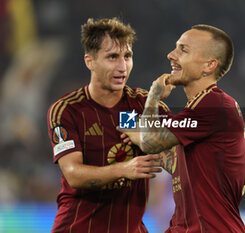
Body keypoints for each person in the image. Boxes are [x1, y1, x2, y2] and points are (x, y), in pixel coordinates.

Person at [46, 17, 171, 233]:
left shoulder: (144, 104)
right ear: (90, 61)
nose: (122, 67)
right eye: (112, 57)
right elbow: (73, 174)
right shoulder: (67, 110)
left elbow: (179, 155)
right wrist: (124, 169)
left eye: (127, 56)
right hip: (79, 228)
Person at [120, 24, 245, 232]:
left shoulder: (213, 104)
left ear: (209, 65)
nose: (171, 55)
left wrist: (153, 96)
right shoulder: (198, 112)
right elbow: (171, 160)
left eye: (183, 50)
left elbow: (150, 141)